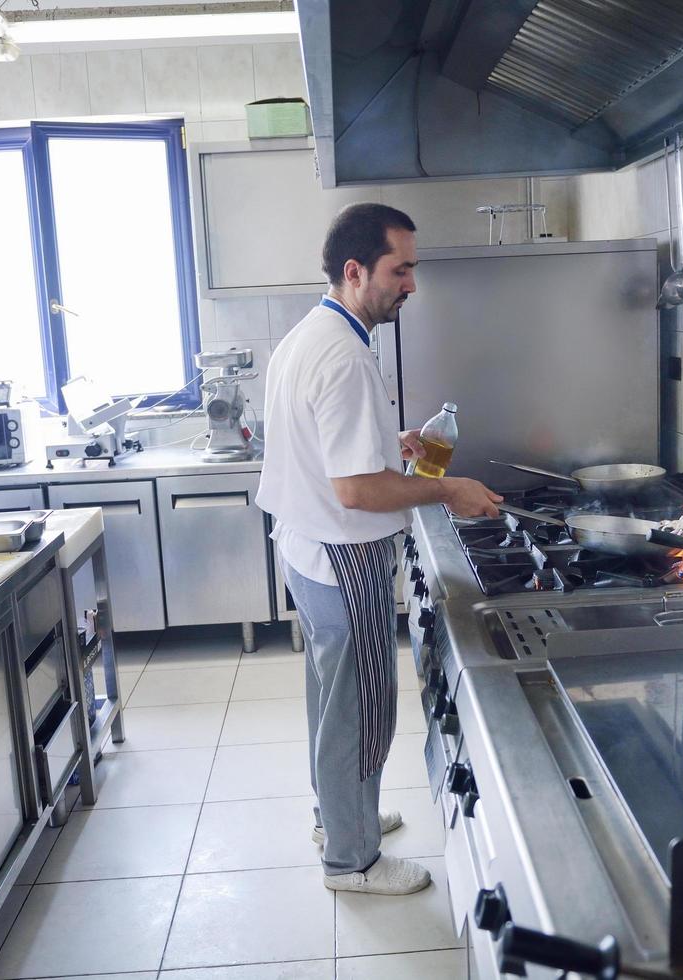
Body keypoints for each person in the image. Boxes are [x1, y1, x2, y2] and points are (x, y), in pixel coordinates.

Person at [257, 203, 502, 896]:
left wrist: (383, 449)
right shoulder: (342, 354)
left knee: (329, 698)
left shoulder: (314, 333)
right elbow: (358, 492)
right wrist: (449, 489)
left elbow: (326, 451)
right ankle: (352, 862)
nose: (411, 286)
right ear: (356, 269)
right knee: (359, 707)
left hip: (307, 549)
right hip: (342, 555)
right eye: (401, 270)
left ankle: (334, 819)